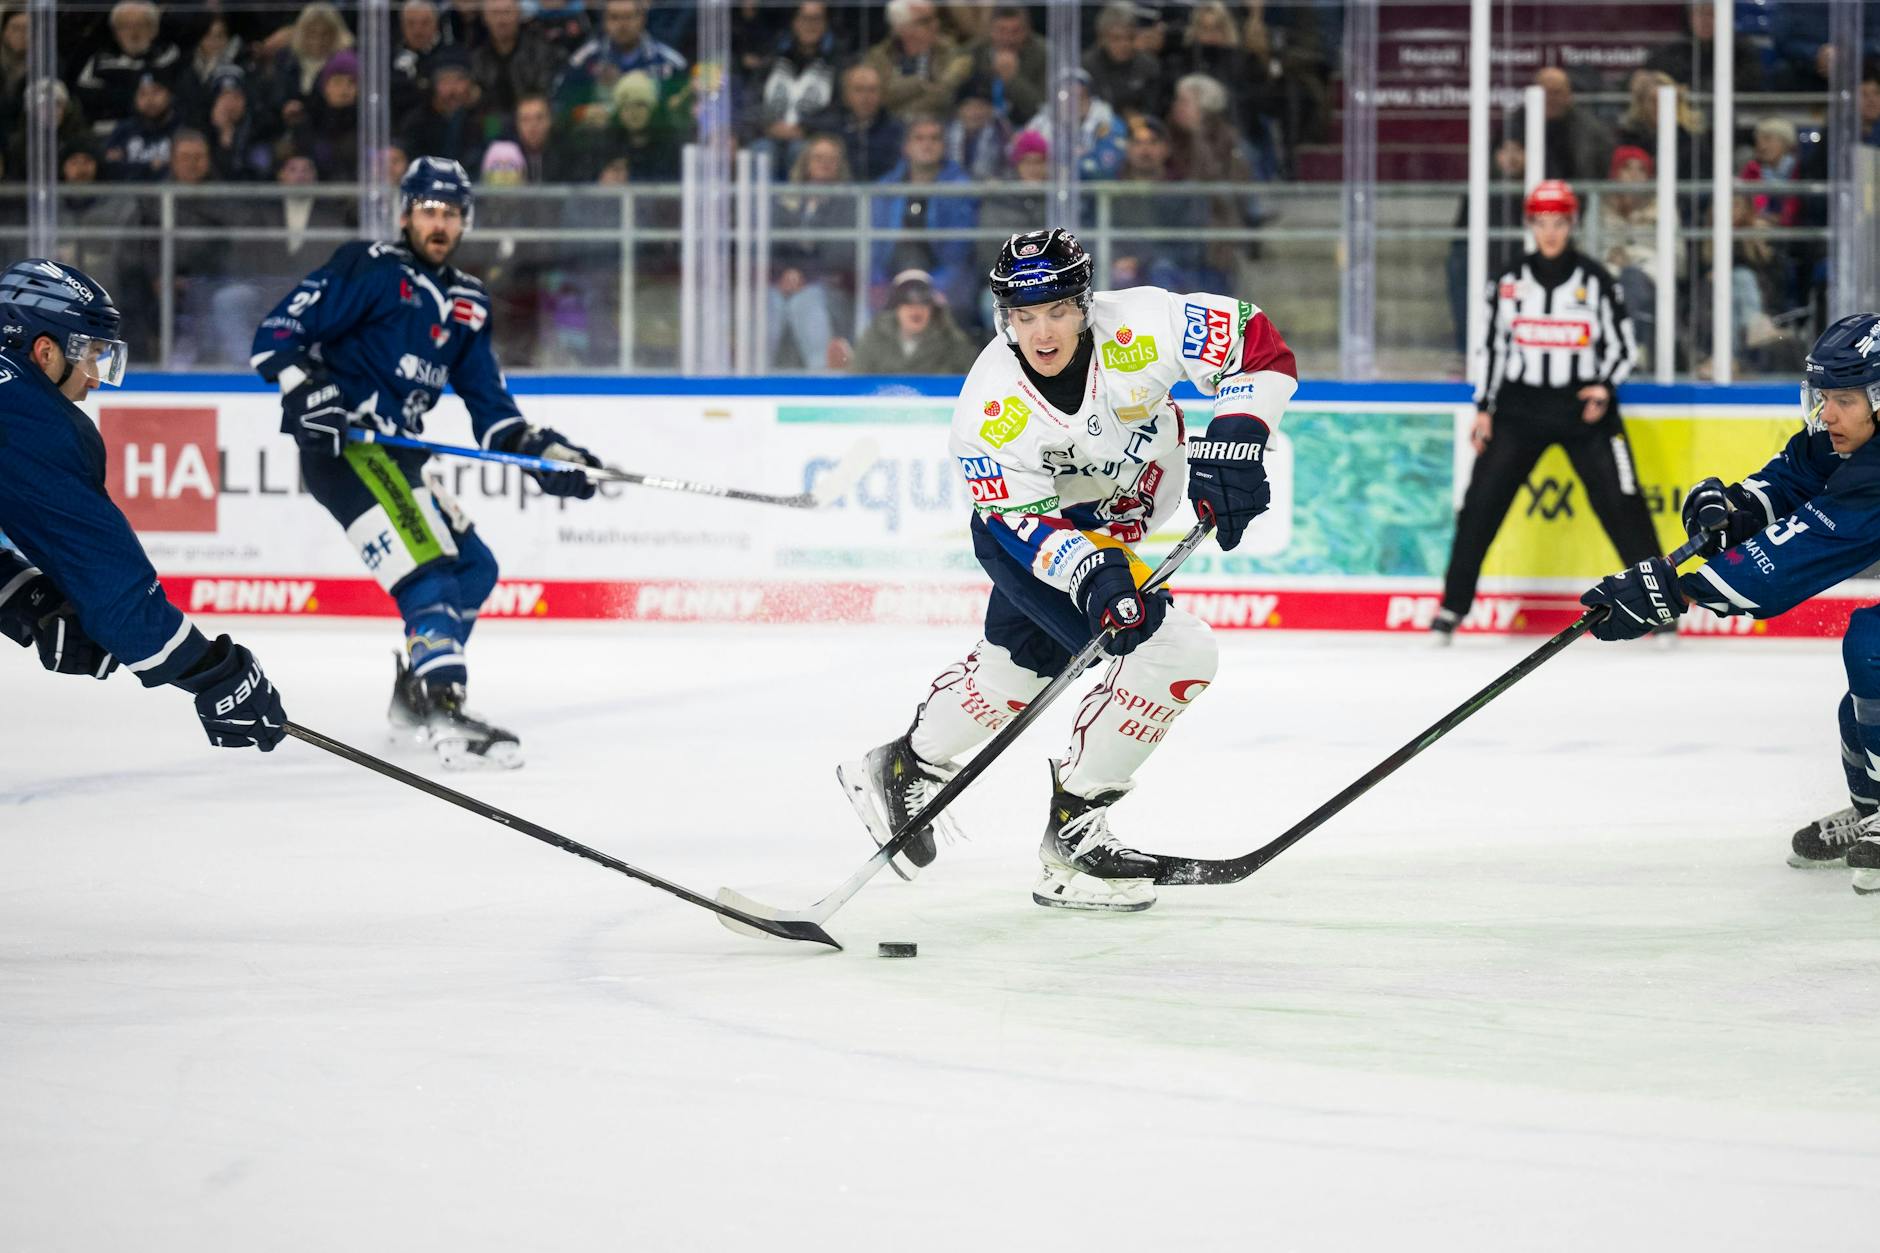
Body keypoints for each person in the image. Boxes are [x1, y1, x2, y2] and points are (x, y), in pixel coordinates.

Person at [838, 228, 1296, 912]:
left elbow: (1259, 345)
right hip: (1029, 535)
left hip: (1116, 519)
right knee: (1174, 650)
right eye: (1024, 317)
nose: (1042, 332)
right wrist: (1095, 574)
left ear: (1085, 304)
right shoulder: (989, 409)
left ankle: (906, 763)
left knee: (1017, 669)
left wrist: (1239, 437)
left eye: (1056, 310)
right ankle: (1075, 838)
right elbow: (1020, 521)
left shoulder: (1144, 323)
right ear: (1005, 319)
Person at [248, 156, 602, 769]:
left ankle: (415, 696)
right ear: (406, 214)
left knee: (474, 570)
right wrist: (309, 392)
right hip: (346, 450)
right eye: (428, 210)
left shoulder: (468, 302)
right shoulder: (370, 268)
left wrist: (549, 456)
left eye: (451, 213)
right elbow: (276, 335)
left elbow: (492, 411)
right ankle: (446, 705)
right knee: (430, 570)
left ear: (467, 221)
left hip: (401, 456)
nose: (439, 223)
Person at [1578, 313, 1880, 895]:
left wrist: (1682, 591)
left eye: (1845, 399)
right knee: (1860, 713)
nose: (1829, 414)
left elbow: (1805, 548)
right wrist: (1734, 509)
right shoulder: (1848, 436)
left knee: (1873, 648)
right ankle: (1872, 815)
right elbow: (1793, 482)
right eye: (1825, 397)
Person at [0, 258, 287, 751]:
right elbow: (118, 597)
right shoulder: (35, 419)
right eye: (90, 355)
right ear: (44, 351)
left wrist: (27, 600)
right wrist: (214, 674)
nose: (93, 378)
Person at [1435, 179, 1657, 642]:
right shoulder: (1510, 281)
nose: (1551, 232)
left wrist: (1604, 389)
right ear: (1530, 225)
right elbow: (1492, 348)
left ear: (1571, 224)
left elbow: (1622, 346)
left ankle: (1658, 607)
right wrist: (1484, 408)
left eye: (1559, 222)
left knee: (1624, 503)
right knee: (1479, 508)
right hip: (1519, 407)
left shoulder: (1597, 281)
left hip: (1583, 410)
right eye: (1542, 222)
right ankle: (1452, 609)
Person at [842, 267, 978, 374]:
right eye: (908, 304)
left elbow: (972, 380)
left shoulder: (952, 342)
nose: (916, 310)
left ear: (933, 309)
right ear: (896, 308)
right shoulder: (874, 339)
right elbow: (858, 380)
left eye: (923, 303)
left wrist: (947, 323)